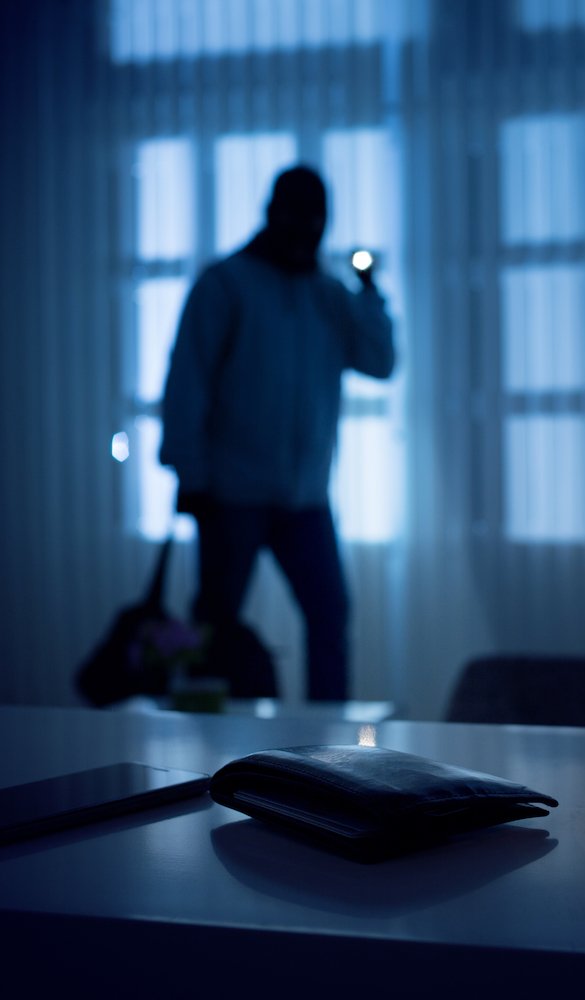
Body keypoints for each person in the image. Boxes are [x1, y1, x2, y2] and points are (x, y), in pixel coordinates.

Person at [160, 165, 394, 701]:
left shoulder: (329, 295)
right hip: (229, 494)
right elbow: (187, 380)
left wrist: (370, 292)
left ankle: (331, 758)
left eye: (316, 220)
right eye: (296, 216)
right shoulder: (225, 285)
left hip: (306, 499)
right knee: (215, 628)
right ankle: (208, 749)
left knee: (330, 618)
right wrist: (190, 473)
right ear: (272, 212)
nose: (306, 230)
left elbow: (381, 361)